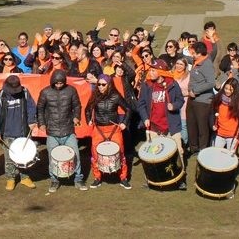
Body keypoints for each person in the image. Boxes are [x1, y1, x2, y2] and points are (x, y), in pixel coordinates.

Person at [137, 58, 186, 190]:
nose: (150, 72)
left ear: (160, 71)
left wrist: (174, 106)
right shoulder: (146, 85)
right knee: (152, 154)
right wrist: (145, 117)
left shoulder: (173, 84)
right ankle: (152, 180)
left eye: (153, 70)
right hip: (153, 126)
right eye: (150, 70)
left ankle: (180, 180)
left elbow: (180, 101)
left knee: (178, 152)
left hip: (171, 125)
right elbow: (140, 104)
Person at [37, 70, 85, 192]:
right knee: (52, 157)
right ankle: (54, 180)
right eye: (57, 83)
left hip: (68, 130)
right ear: (53, 81)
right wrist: (41, 123)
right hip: (52, 131)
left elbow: (77, 105)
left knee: (75, 155)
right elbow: (40, 109)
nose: (59, 85)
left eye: (61, 83)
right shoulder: (45, 92)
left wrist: (76, 117)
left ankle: (78, 179)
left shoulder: (71, 90)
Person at [0, 75, 38, 191]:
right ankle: (10, 178)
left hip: (23, 131)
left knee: (24, 157)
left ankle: (25, 177)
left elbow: (31, 107)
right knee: (10, 158)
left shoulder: (25, 92)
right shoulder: (0, 96)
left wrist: (32, 120)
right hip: (7, 133)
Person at [85, 74, 132, 189]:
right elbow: (87, 109)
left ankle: (123, 178)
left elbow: (128, 109)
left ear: (109, 84)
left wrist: (124, 123)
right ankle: (97, 178)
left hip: (114, 129)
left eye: (103, 84)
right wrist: (89, 120)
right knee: (95, 154)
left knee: (120, 153)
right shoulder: (94, 96)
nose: (100, 86)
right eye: (99, 84)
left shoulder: (115, 96)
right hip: (99, 129)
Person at [185, 21, 219, 155]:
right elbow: (185, 58)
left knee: (202, 126)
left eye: (193, 53)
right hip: (192, 100)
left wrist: (196, 91)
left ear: (199, 52)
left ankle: (203, 149)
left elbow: (211, 83)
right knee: (191, 124)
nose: (192, 55)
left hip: (203, 101)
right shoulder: (196, 61)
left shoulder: (207, 63)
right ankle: (193, 148)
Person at [212, 77, 239, 151]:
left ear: (235, 90)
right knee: (216, 155)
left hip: (233, 136)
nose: (227, 91)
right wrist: (212, 124)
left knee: (230, 159)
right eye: (226, 88)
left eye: (230, 89)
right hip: (219, 134)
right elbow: (212, 113)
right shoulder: (218, 98)